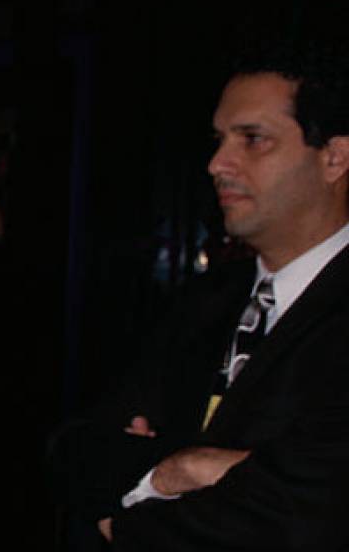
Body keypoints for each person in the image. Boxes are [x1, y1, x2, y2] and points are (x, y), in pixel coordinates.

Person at [49, 41, 349, 550]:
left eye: (252, 140)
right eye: (218, 139)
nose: (217, 164)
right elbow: (74, 450)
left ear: (335, 157)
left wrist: (148, 492)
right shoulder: (206, 301)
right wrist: (188, 469)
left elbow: (313, 516)